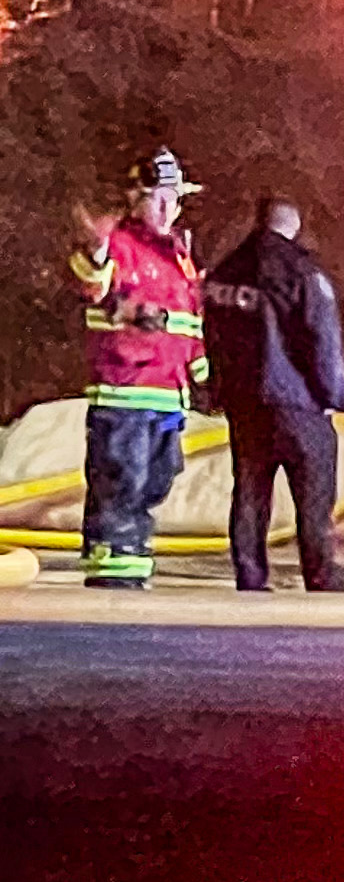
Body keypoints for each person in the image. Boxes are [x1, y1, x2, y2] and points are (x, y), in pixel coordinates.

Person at [69, 150, 206, 590]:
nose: (168, 210)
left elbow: (191, 319)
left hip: (168, 392)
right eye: (158, 199)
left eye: (174, 199)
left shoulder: (178, 255)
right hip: (124, 392)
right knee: (122, 480)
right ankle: (112, 563)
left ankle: (132, 556)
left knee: (156, 480)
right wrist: (97, 250)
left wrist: (204, 373)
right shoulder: (120, 247)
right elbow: (93, 285)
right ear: (135, 200)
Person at [205, 197, 344, 594]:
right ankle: (320, 574)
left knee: (251, 490)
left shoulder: (225, 271)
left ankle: (250, 573)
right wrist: (333, 396)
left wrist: (220, 389)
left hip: (244, 403)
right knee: (314, 494)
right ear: (295, 225)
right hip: (298, 402)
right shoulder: (304, 272)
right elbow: (322, 338)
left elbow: (211, 334)